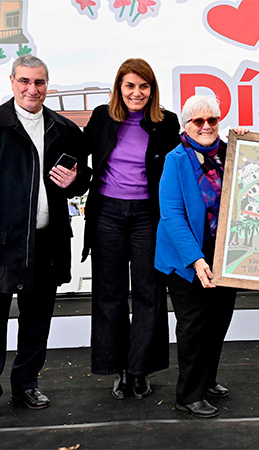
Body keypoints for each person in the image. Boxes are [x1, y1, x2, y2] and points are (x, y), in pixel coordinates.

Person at [0, 54, 90, 426]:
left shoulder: (62, 128)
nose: (33, 89)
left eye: (40, 82)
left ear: (48, 85)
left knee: (36, 321)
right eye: (25, 81)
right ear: (11, 81)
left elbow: (83, 175)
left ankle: (26, 383)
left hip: (46, 243)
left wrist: (76, 183)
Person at [82, 58, 180, 400]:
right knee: (109, 294)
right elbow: (80, 162)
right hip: (107, 213)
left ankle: (140, 370)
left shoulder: (166, 122)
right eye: (130, 86)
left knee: (148, 293)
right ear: (118, 88)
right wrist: (71, 179)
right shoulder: (101, 117)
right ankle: (119, 370)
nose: (136, 93)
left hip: (147, 216)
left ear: (152, 90)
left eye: (144, 86)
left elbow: (177, 168)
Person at [155, 95, 248, 418]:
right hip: (185, 257)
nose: (207, 126)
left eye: (213, 120)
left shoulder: (231, 154)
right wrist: (195, 260)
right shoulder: (175, 160)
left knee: (219, 320)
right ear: (186, 126)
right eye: (199, 121)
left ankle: (207, 380)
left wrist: (251, 146)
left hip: (224, 252)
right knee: (194, 324)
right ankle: (188, 394)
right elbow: (171, 215)